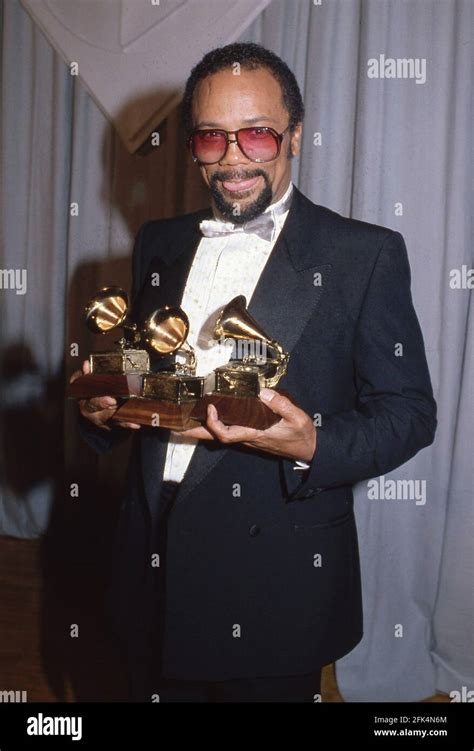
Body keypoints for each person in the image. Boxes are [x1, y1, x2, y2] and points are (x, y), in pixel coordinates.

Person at [71, 43, 436, 703]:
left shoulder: (364, 255)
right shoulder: (161, 239)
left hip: (274, 587)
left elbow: (409, 411)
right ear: (192, 146)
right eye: (212, 136)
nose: (234, 156)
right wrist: (103, 411)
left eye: (258, 133)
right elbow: (145, 368)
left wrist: (315, 445)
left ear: (295, 135)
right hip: (148, 569)